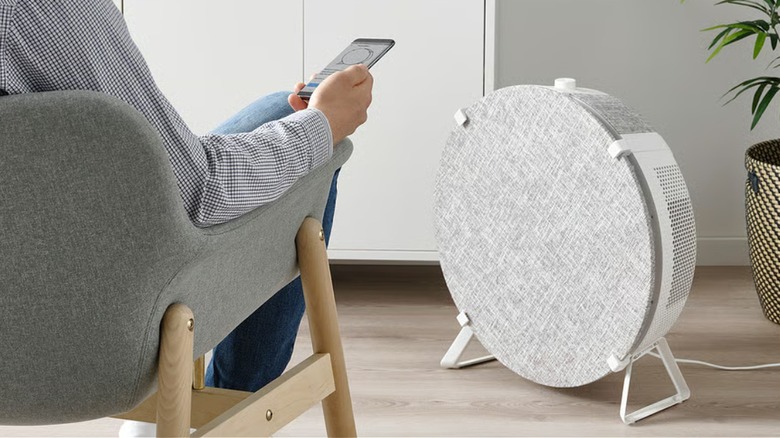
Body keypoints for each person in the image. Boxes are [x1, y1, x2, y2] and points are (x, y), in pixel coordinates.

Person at [0, 0, 373, 435]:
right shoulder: (36, 12)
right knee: (295, 119)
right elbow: (201, 190)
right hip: (115, 331)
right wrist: (322, 124)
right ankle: (219, 412)